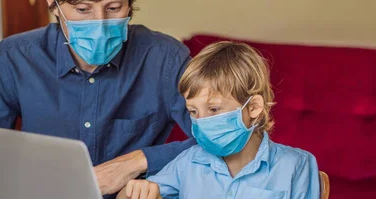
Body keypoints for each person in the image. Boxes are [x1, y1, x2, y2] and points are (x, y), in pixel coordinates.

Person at [0, 0, 194, 198]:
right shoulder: (12, 58)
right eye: (83, 9)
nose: (100, 23)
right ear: (54, 4)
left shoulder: (166, 59)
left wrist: (138, 161)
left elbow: (222, 143)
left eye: (114, 7)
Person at [118, 41, 320, 199]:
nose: (202, 122)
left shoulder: (297, 165)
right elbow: (129, 196)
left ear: (253, 107)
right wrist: (133, 192)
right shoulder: (188, 162)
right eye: (193, 112)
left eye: (213, 109)